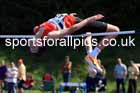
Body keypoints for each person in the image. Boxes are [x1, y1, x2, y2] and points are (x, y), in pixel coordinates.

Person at [31, 13, 120, 73]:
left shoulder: (36, 29)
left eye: (31, 47)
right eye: (33, 47)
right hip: (75, 24)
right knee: (115, 30)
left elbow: (55, 20)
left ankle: (91, 58)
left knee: (87, 34)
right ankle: (93, 55)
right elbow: (73, 28)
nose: (31, 44)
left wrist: (66, 16)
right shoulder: (51, 35)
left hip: (72, 19)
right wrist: (90, 19)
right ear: (41, 44)